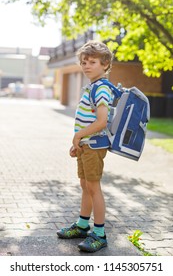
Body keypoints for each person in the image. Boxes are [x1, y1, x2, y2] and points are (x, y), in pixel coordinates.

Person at [57, 40, 115, 253]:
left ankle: (99, 234)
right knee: (85, 186)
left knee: (93, 187)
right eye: (83, 62)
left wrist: (79, 135)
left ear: (105, 64)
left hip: (94, 146)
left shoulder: (101, 89)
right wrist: (78, 141)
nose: (86, 65)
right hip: (86, 145)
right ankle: (83, 225)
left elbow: (101, 121)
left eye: (92, 61)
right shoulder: (92, 88)